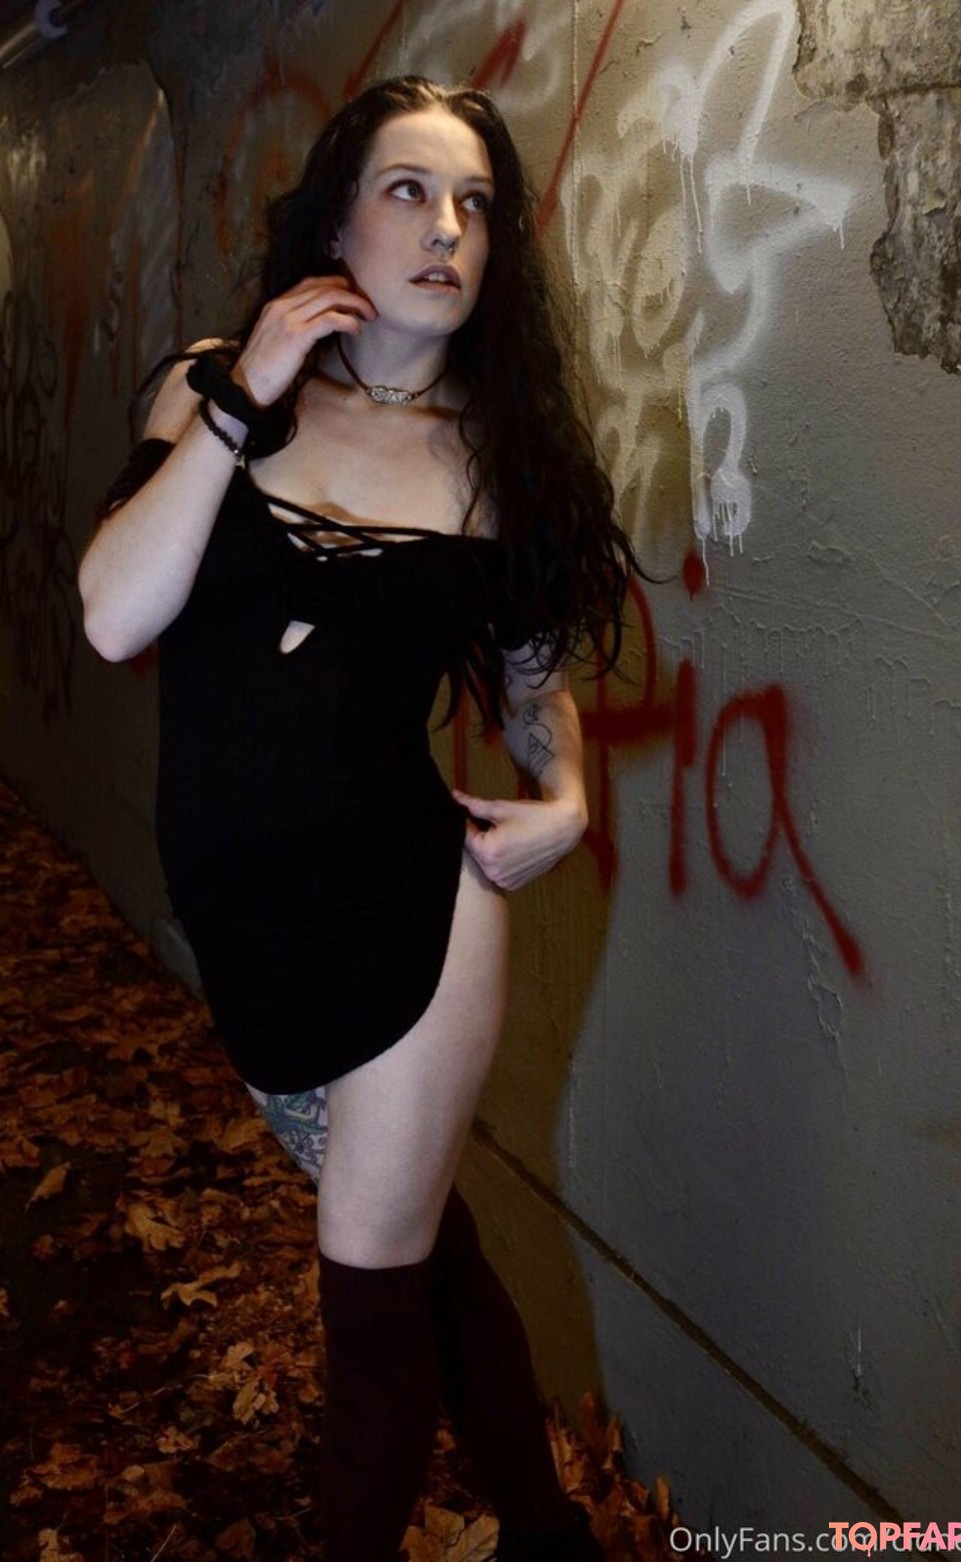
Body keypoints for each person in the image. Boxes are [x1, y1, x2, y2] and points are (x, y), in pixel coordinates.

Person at [79, 75, 640, 1562]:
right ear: (337, 219)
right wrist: (239, 398)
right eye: (409, 190)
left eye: (476, 205)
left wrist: (570, 798)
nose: (447, 228)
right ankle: (548, 1532)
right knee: (427, 1258)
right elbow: (115, 614)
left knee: (370, 1311)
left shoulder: (501, 464)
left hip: (413, 926)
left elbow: (538, 693)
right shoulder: (213, 384)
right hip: (249, 932)